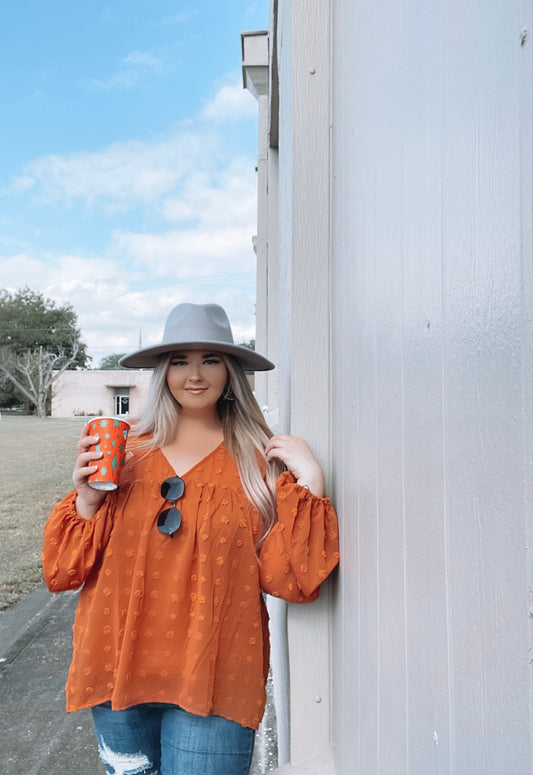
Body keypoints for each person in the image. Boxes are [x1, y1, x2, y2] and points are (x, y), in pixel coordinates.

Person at [42, 302, 340, 775]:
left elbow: (291, 581)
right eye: (180, 360)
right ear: (162, 372)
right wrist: (85, 500)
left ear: (231, 372)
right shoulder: (126, 454)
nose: (194, 374)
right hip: (117, 670)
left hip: (214, 679)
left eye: (210, 359)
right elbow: (62, 572)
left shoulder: (258, 461)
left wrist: (310, 486)